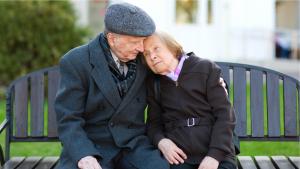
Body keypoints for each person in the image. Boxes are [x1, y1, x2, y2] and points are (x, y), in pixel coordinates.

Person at [54, 3, 169, 169]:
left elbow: (176, 61)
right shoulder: (76, 61)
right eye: (135, 42)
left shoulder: (145, 57)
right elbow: (68, 118)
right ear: (113, 39)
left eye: (143, 41)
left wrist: (210, 80)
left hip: (133, 145)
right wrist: (84, 154)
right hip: (92, 145)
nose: (142, 47)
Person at [144, 31, 237, 169]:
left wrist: (214, 156)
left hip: (217, 153)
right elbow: (153, 124)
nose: (152, 56)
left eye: (156, 48)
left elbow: (225, 115)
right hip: (180, 158)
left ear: (173, 48)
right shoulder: (155, 83)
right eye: (146, 54)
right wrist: (162, 142)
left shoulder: (205, 68)